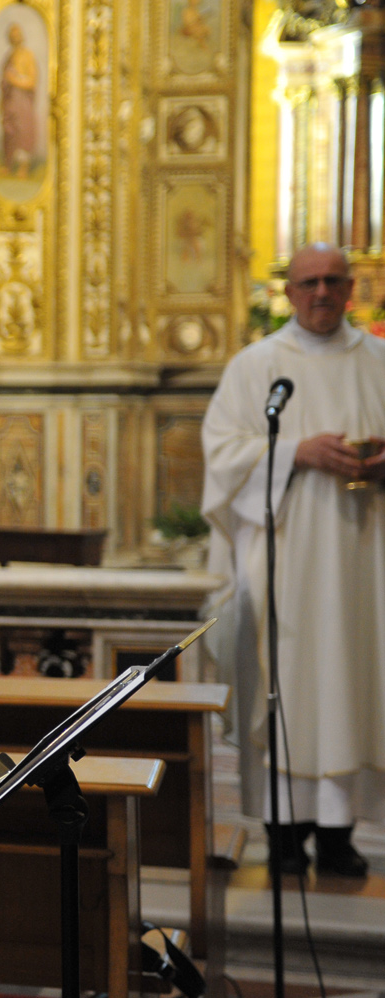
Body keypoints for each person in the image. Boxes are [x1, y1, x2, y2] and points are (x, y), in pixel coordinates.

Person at [202, 243, 385, 878]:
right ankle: (283, 835)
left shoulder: (378, 361)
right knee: (287, 684)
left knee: (352, 685)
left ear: (352, 288)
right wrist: (295, 453)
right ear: (289, 292)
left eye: (334, 281)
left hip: (364, 559)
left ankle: (338, 834)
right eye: (309, 282)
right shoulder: (257, 366)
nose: (322, 293)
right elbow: (221, 451)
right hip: (283, 558)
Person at [0, 23, 37, 179]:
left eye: (17, 35)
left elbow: (32, 82)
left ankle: (23, 168)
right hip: (10, 101)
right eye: (12, 36)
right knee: (10, 132)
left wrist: (14, 80)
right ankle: (8, 165)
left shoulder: (27, 55)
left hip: (22, 101)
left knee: (23, 133)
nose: (15, 38)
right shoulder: (9, 56)